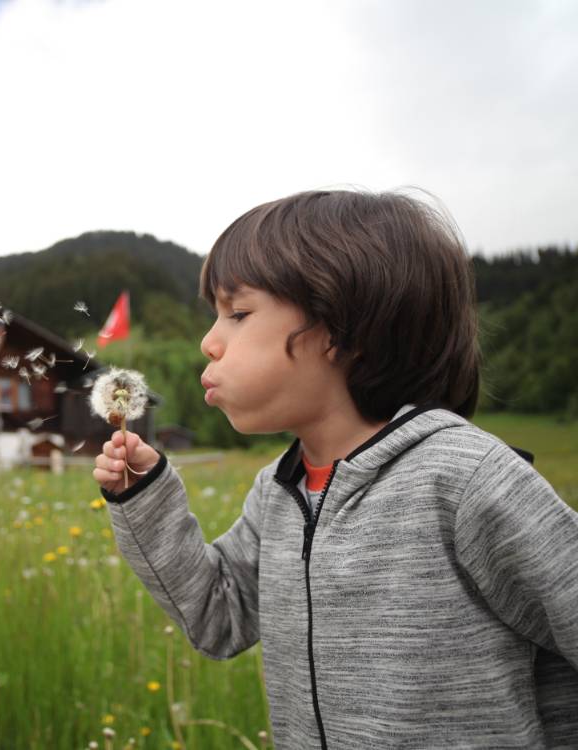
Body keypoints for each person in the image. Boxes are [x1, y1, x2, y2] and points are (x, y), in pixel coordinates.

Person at [92, 189, 578, 748]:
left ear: (341, 329)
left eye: (239, 314)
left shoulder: (464, 479)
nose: (209, 341)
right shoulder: (278, 490)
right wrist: (144, 497)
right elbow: (215, 616)